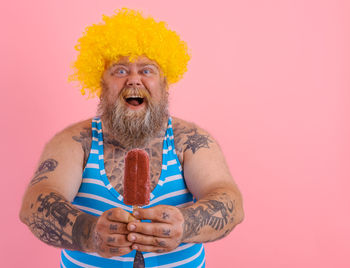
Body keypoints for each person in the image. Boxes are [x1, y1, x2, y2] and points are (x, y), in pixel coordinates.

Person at [19, 8, 244, 268]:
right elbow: (35, 204)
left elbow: (230, 201)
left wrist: (186, 225)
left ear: (164, 83)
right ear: (100, 82)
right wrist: (89, 233)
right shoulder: (75, 142)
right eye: (120, 71)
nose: (134, 80)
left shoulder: (189, 141)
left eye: (147, 71)